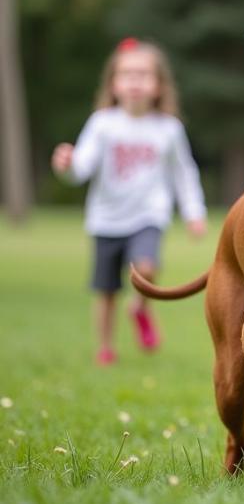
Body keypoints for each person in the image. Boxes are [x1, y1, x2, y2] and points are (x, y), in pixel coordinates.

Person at [52, 38, 207, 365]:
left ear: (158, 85)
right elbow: (82, 167)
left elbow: (184, 173)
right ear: (113, 83)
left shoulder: (168, 129)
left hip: (148, 215)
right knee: (106, 291)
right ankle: (106, 348)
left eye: (143, 74)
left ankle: (139, 306)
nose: (135, 81)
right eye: (127, 74)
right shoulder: (102, 124)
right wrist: (67, 165)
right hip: (105, 220)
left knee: (146, 267)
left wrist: (194, 212)